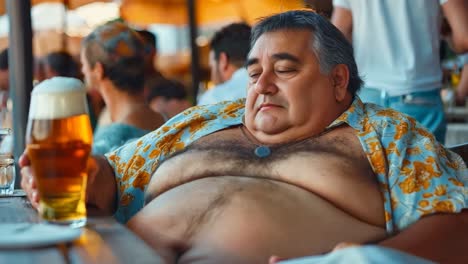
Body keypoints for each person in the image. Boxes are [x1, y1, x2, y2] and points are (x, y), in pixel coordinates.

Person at [21, 10, 468, 263]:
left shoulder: (386, 134)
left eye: (286, 69)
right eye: (254, 73)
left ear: (338, 81)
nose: (263, 85)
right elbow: (112, 178)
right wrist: (78, 173)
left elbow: (455, 228)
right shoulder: (201, 122)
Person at [331, 0, 468, 143]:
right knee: (423, 165)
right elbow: (464, 38)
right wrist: (448, 37)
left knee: (368, 165)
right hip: (419, 95)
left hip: (366, 96)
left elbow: (338, 36)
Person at [80, 22, 165, 155]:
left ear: (98, 70)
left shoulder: (111, 142)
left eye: (83, 64)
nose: (82, 70)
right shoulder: (162, 119)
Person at [197, 23, 251, 105]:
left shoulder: (211, 100)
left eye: (211, 66)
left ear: (223, 60)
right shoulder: (269, 89)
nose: (212, 76)